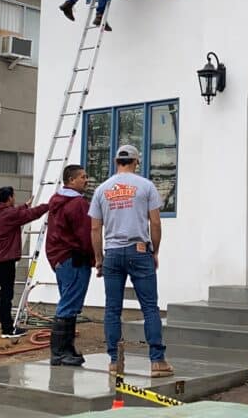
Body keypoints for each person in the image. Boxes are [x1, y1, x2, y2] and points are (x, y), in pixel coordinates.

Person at [90, 144, 173, 377]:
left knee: (112, 310)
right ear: (136, 162)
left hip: (113, 253)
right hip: (139, 250)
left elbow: (95, 228)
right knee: (149, 308)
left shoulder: (102, 190)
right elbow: (155, 223)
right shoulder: (146, 186)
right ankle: (157, 361)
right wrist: (154, 252)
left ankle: (115, 361)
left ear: (117, 161)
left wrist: (99, 259)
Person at [0, 186, 49, 339]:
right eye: (14, 196)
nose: (15, 198)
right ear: (10, 198)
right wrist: (49, 206)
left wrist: (24, 206)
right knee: (6, 294)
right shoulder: (10, 214)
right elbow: (30, 214)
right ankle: (7, 329)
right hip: (5, 260)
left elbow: (17, 213)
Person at [45, 164, 93, 366]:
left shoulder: (56, 202)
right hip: (74, 259)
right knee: (68, 305)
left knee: (68, 302)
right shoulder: (78, 204)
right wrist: (96, 257)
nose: (86, 180)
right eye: (82, 177)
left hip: (61, 259)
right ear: (71, 180)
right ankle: (60, 352)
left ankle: (66, 350)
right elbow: (86, 235)